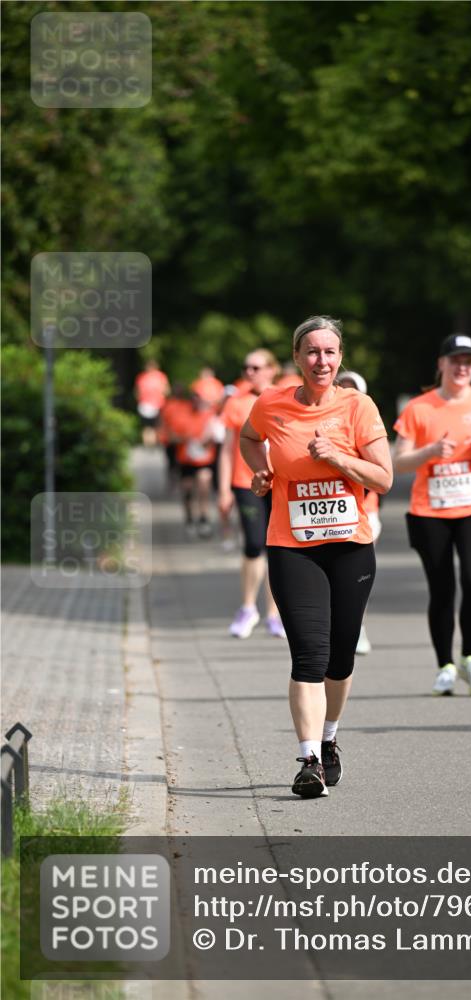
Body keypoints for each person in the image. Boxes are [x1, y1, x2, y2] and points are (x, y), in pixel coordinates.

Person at [240, 316, 392, 798]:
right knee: (309, 654)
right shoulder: (271, 404)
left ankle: (329, 740)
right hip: (292, 547)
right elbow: (248, 437)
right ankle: (307, 760)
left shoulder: (358, 407)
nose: (321, 361)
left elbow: (383, 479)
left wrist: (339, 459)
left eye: (329, 352)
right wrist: (262, 470)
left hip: (350, 547)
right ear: (297, 358)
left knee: (340, 657)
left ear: (340, 357)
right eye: (311, 352)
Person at [393, 334, 471, 696]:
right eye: (455, 360)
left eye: (469, 362)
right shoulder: (418, 408)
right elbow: (398, 462)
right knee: (442, 589)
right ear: (441, 363)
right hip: (431, 511)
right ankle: (445, 665)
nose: (462, 367)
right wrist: (431, 451)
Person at [219, 349, 286, 639]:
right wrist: (223, 490)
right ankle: (248, 607)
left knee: (278, 548)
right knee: (253, 543)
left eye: (257, 367)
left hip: (280, 482)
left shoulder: (285, 398)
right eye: (246, 367)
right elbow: (225, 450)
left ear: (271, 370)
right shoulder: (237, 403)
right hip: (245, 482)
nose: (250, 372)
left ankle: (275, 613)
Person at [335, 370, 382, 655]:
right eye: (343, 388)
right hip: (326, 514)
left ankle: (357, 627)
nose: (348, 394)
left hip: (365, 511)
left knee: (355, 578)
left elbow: (381, 475)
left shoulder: (368, 420)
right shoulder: (321, 421)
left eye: (354, 389)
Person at [176, 392, 220, 538]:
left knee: (204, 483)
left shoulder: (209, 416)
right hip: (186, 460)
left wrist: (205, 441)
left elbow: (215, 436)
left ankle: (204, 518)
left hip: (204, 461)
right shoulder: (182, 417)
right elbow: (171, 436)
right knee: (187, 491)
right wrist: (185, 439)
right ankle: (189, 519)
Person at [134, 360, 170, 447]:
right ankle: (150, 444)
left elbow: (137, 393)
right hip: (151, 405)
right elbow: (167, 391)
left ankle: (150, 444)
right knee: (151, 426)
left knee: (151, 426)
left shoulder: (157, 376)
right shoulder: (146, 377)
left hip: (153, 405)